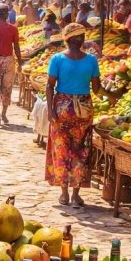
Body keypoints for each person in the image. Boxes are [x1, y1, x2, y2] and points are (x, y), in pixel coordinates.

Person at [45, 23, 112, 206]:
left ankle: (64, 193)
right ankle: (75, 195)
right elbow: (97, 89)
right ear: (82, 40)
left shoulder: (57, 59)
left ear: (66, 40)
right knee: (81, 150)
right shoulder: (91, 60)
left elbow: (50, 85)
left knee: (61, 150)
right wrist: (113, 95)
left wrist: (51, 110)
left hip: (62, 108)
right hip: (83, 108)